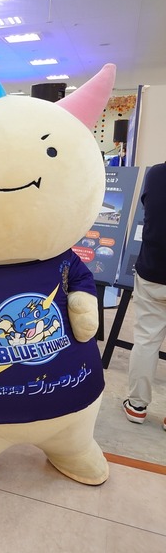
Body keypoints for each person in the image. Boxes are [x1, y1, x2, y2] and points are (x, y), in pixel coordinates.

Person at [124, 162, 166, 427]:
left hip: (153, 270)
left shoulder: (156, 174)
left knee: (146, 340)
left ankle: (137, 406)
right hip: (152, 270)